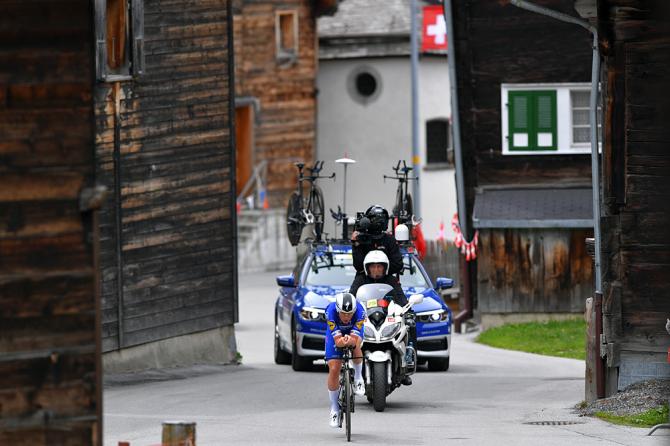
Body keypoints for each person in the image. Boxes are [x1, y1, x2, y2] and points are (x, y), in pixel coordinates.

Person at [350, 250, 417, 386]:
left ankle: (407, 359)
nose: (376, 270)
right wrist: (349, 309)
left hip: (386, 317)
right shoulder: (360, 280)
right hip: (367, 317)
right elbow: (352, 296)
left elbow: (401, 298)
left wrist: (409, 312)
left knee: (411, 325)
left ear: (385, 268)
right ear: (367, 268)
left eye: (379, 266)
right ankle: (347, 364)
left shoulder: (391, 280)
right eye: (373, 266)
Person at [325, 292, 366, 428]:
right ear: (337, 310)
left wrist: (350, 340)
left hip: (353, 331)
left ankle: (359, 378)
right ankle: (335, 409)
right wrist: (342, 340)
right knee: (334, 368)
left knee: (355, 345)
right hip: (336, 335)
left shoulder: (360, 312)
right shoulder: (330, 312)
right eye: (343, 313)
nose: (347, 317)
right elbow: (337, 341)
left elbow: (354, 338)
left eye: (350, 314)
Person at [350, 205, 403, 294]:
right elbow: (358, 266)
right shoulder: (361, 239)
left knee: (400, 300)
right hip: (364, 280)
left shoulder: (390, 240)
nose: (376, 269)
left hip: (386, 280)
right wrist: (356, 244)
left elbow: (398, 264)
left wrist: (382, 271)